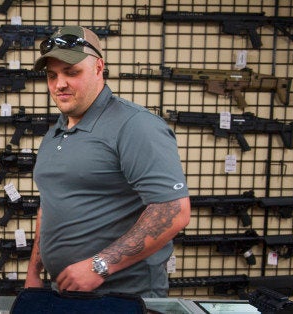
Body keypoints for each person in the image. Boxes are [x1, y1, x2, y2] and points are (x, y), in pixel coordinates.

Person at [24, 25, 191, 298]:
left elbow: (173, 210)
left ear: (99, 67)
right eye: (52, 75)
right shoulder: (57, 131)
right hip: (64, 292)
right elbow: (50, 204)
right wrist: (34, 272)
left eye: (71, 72)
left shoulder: (135, 125)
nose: (59, 84)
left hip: (123, 296)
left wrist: (99, 266)